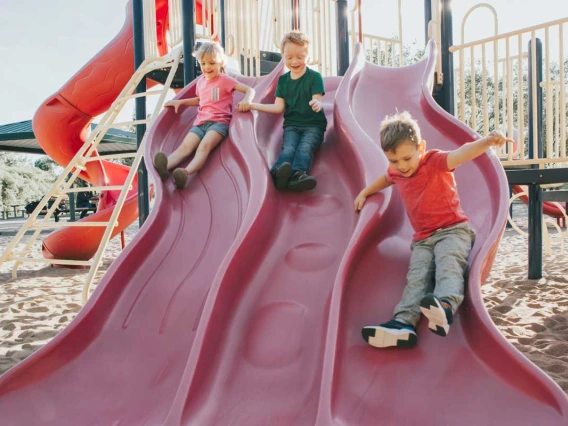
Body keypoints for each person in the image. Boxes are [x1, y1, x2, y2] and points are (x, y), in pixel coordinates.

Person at [354, 111, 511, 349]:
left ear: (421, 148)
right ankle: (403, 323)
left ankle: (445, 306)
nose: (401, 166)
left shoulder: (435, 161)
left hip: (453, 230)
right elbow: (386, 179)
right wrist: (366, 192)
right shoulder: (396, 171)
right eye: (394, 161)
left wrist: (487, 141)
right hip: (423, 239)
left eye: (407, 158)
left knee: (449, 263)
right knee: (416, 278)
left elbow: (463, 153)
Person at [153, 42, 255, 189]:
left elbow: (249, 90)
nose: (207, 67)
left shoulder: (225, 80)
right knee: (185, 147)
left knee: (204, 146)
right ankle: (165, 167)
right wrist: (180, 103)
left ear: (221, 63)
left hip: (219, 123)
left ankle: (185, 173)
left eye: (212, 63)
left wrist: (247, 100)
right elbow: (200, 100)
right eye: (203, 63)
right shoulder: (201, 82)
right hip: (200, 123)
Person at [249, 31, 327, 191]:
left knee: (305, 147)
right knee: (289, 148)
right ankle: (278, 173)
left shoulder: (314, 77)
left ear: (308, 56)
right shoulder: (283, 81)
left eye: (300, 56)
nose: (294, 61)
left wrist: (317, 103)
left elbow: (317, 99)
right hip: (291, 125)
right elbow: (278, 107)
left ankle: (298, 173)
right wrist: (254, 106)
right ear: (283, 56)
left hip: (313, 125)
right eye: (289, 57)